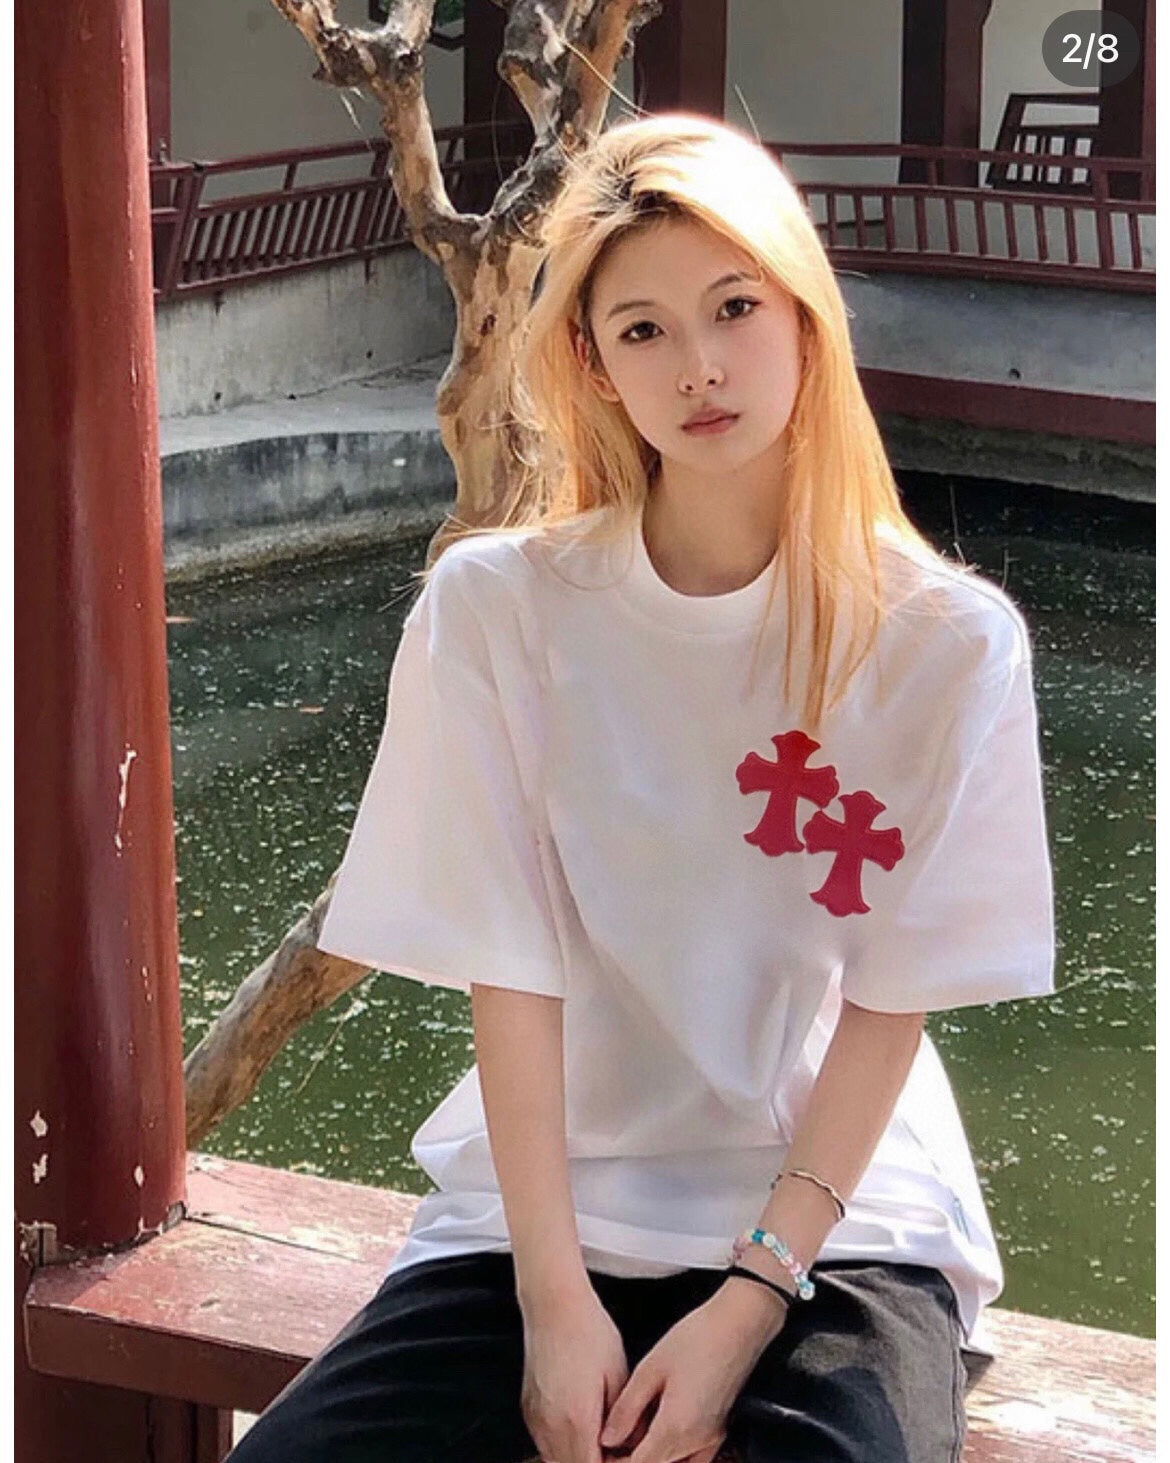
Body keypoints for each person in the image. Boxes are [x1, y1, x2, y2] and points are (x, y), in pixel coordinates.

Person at [228, 113, 1055, 1463]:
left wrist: (749, 1299)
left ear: (806, 321)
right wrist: (553, 1305)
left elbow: (891, 999)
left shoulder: (945, 643)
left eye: (734, 308)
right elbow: (512, 969)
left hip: (838, 1215)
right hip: (548, 1203)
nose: (699, 366)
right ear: (592, 365)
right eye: (643, 330)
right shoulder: (500, 611)